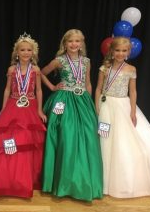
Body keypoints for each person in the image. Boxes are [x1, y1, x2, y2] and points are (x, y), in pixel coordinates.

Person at [0, 33, 47, 198]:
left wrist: (39, 110)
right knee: (7, 139)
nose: (25, 53)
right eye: (22, 50)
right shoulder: (12, 70)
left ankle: (24, 179)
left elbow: (38, 90)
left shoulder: (36, 70)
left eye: (28, 50)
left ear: (33, 52)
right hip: (13, 104)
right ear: (17, 52)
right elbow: (7, 90)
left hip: (30, 106)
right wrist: (3, 109)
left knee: (26, 139)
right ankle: (5, 178)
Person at [41, 29, 103, 201]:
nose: (74, 44)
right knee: (66, 135)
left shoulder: (86, 61)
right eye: (71, 41)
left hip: (82, 100)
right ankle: (64, 180)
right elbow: (40, 72)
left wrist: (89, 103)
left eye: (78, 41)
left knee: (87, 136)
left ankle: (83, 179)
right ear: (65, 43)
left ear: (82, 43)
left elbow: (88, 83)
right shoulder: (59, 61)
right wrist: (53, 87)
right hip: (64, 99)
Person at [95, 36, 150, 198]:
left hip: (123, 106)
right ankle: (101, 179)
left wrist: (132, 111)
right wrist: (97, 107)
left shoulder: (131, 69)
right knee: (104, 139)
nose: (120, 53)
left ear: (129, 52)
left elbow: (133, 91)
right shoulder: (104, 68)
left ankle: (121, 178)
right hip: (106, 106)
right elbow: (98, 89)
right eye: (117, 50)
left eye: (124, 51)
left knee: (122, 141)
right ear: (111, 51)